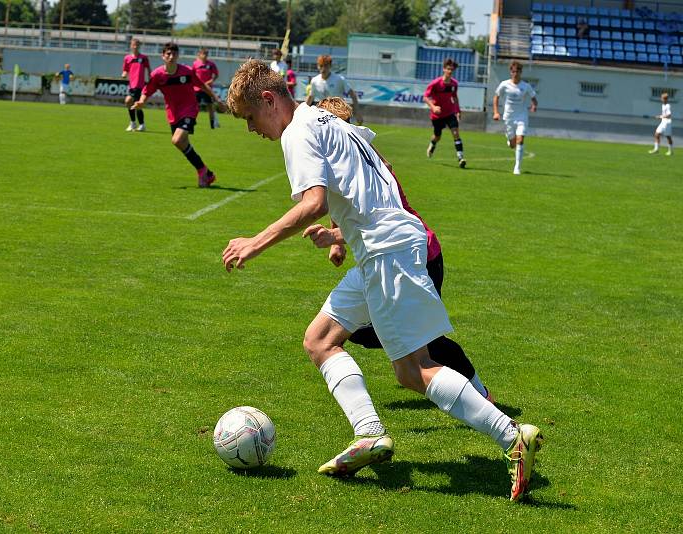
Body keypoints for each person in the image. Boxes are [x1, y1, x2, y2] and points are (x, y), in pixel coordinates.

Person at [223, 59, 544, 502]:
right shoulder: (328, 120)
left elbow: (314, 202)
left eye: (250, 118)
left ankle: (511, 436)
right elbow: (365, 178)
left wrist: (255, 242)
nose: (252, 130)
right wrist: (342, 236)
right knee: (319, 339)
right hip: (382, 250)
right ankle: (369, 434)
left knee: (414, 371)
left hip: (387, 252)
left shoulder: (297, 130)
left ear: (268, 99)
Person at [316, 97, 493, 401]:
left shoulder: (367, 169)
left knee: (413, 341)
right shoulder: (359, 164)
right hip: (410, 256)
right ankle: (466, 388)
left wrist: (335, 237)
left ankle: (479, 395)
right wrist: (338, 241)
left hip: (418, 256)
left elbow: (374, 222)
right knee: (365, 332)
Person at [132, 42, 225, 188]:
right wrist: (141, 102)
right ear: (163, 56)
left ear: (178, 55)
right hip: (172, 113)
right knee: (183, 144)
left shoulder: (187, 71)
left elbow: (202, 85)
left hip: (189, 109)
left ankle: (203, 172)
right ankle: (205, 173)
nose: (171, 56)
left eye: (174, 54)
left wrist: (217, 99)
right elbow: (147, 90)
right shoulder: (157, 75)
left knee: (177, 140)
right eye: (168, 54)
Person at [492, 60, 538, 175]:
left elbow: (534, 98)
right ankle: (510, 140)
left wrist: (534, 106)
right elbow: (496, 97)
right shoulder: (504, 84)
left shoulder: (525, 86)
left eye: (517, 71)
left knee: (520, 140)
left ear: (521, 72)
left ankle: (517, 167)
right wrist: (496, 112)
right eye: (513, 71)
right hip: (509, 117)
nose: (515, 73)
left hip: (522, 116)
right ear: (510, 72)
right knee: (513, 144)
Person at [424, 58, 466, 168]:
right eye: (448, 69)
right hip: (437, 115)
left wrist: (458, 111)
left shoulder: (454, 84)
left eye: (452, 69)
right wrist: (433, 107)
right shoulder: (435, 83)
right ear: (444, 69)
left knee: (456, 133)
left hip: (450, 113)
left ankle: (461, 158)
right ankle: (432, 145)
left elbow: (455, 97)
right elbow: (425, 97)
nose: (450, 71)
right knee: (437, 136)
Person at [304, 54, 363, 125]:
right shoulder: (314, 80)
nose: (323, 68)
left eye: (326, 65)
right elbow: (311, 97)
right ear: (318, 66)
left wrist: (357, 112)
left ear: (330, 66)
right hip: (323, 116)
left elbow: (353, 94)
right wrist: (302, 112)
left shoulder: (339, 79)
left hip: (339, 115)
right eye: (321, 66)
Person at [122, 38, 152, 132]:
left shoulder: (144, 58)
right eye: (133, 45)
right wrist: (124, 74)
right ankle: (141, 124)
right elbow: (125, 69)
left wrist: (151, 79)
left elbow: (148, 69)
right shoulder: (127, 58)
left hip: (140, 85)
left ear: (139, 46)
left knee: (129, 101)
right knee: (136, 105)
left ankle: (133, 123)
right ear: (131, 46)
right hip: (132, 85)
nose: (135, 46)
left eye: (137, 45)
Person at [192, 48, 221, 129]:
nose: (204, 56)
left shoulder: (211, 64)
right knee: (194, 106)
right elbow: (192, 75)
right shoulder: (195, 64)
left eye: (206, 54)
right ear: (199, 54)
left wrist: (210, 81)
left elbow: (216, 75)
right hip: (197, 89)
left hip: (207, 89)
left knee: (210, 107)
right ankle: (192, 121)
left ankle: (212, 124)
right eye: (203, 54)